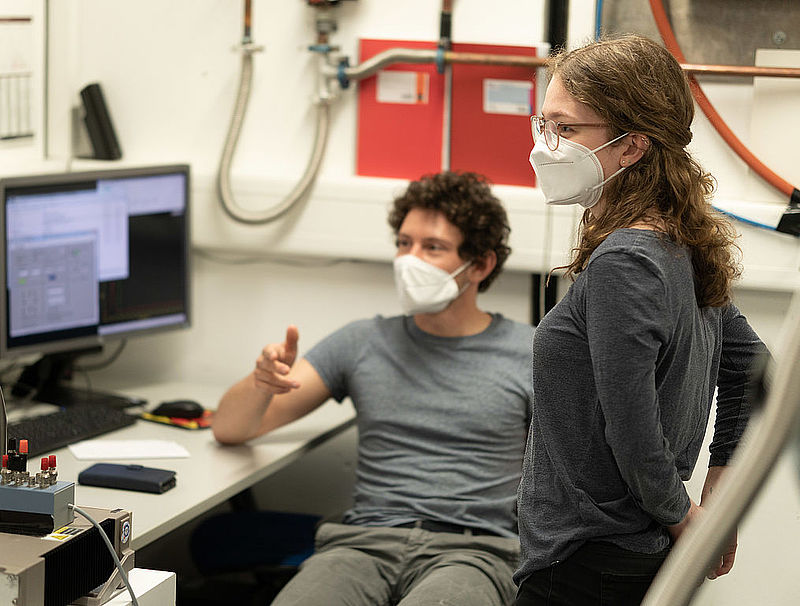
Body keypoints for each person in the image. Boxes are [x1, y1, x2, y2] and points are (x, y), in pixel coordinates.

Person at [515, 34, 767, 606]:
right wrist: (716, 499)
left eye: (567, 129)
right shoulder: (674, 246)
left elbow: (631, 429)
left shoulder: (626, 262)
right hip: (624, 559)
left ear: (631, 147)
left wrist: (688, 519)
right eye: (544, 124)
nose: (546, 148)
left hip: (587, 564)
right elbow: (756, 366)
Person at [213, 171, 534, 606]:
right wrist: (262, 382)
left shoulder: (531, 353)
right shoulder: (363, 341)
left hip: (475, 553)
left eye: (432, 247)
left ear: (480, 265)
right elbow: (230, 429)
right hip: (361, 545)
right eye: (404, 243)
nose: (409, 260)